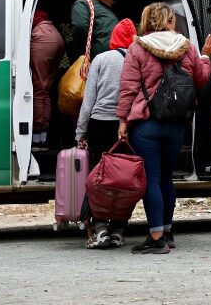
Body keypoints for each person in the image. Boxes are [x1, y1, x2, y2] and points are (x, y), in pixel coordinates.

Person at [116, 3, 211, 254]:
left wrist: (122, 120)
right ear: (171, 21)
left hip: (147, 123)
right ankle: (167, 231)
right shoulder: (187, 47)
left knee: (152, 178)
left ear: (147, 20)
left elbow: (128, 88)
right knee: (167, 178)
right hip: (177, 123)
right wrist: (205, 56)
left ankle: (157, 237)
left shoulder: (137, 47)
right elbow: (202, 79)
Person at [75, 18, 136, 249]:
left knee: (99, 180)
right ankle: (119, 230)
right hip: (127, 126)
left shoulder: (101, 59)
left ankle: (100, 229)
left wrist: (80, 132)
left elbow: (88, 102)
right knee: (123, 180)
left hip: (100, 125)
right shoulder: (138, 58)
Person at [30, 6, 65, 146]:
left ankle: (36, 136)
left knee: (38, 88)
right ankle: (43, 136)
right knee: (45, 90)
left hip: (43, 36)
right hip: (55, 34)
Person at [70, 0, 119, 64]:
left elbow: (80, 27)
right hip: (116, 56)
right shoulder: (108, 11)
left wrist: (81, 53)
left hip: (99, 57)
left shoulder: (82, 3)